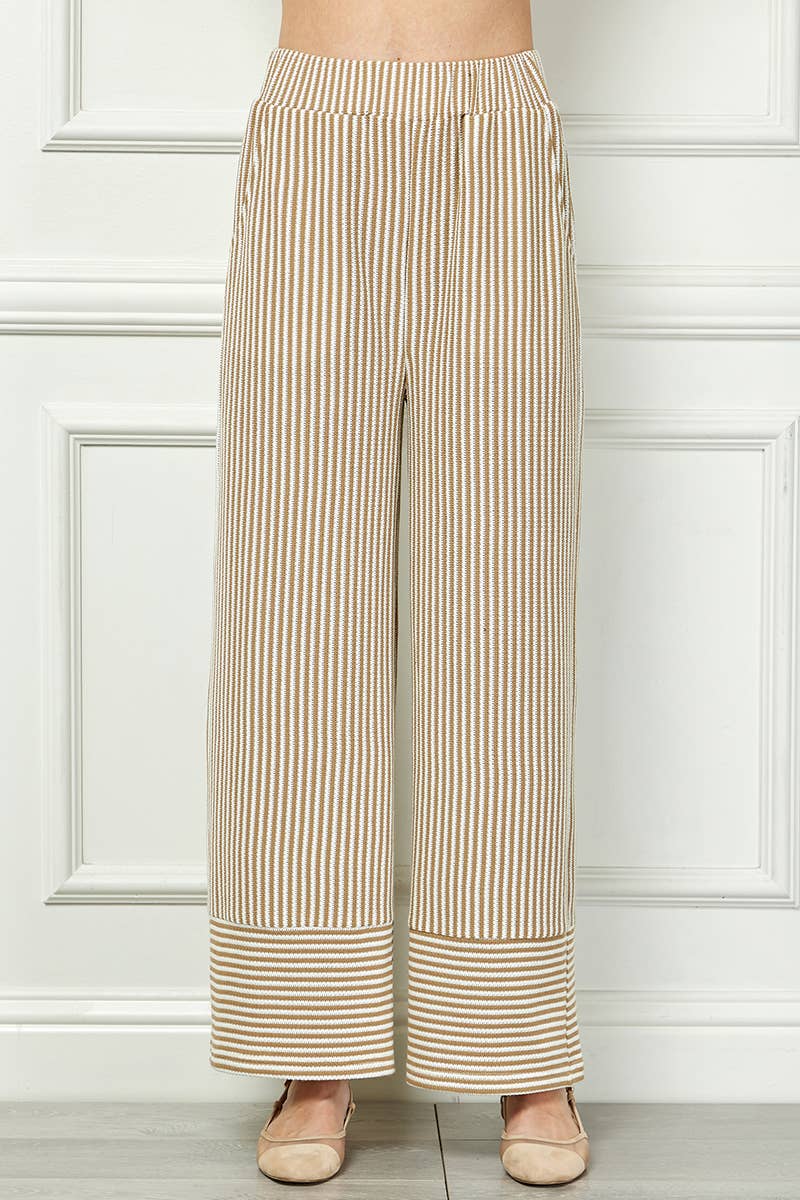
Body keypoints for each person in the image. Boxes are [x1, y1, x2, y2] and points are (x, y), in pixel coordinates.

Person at [205, 0, 589, 1186]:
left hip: (495, 127)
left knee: (505, 610)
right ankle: (311, 1050)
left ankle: (521, 1045)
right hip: (315, 124)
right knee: (291, 604)